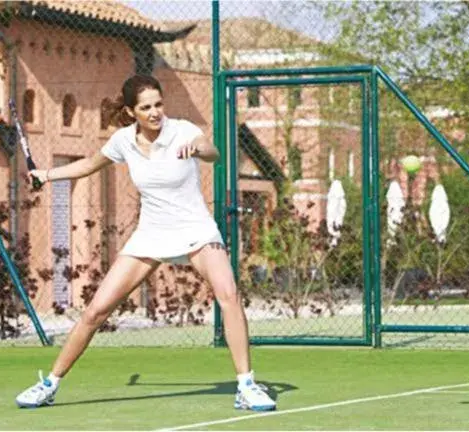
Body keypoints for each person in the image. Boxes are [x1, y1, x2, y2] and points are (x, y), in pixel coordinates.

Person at [15, 74, 276, 412]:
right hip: (151, 234)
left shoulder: (182, 129)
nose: (155, 112)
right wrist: (47, 175)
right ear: (131, 112)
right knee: (96, 311)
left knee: (229, 294)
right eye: (146, 107)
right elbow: (89, 165)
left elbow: (213, 152)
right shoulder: (123, 141)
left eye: (158, 104)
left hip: (196, 230)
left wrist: (199, 148)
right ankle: (49, 384)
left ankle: (246, 385)